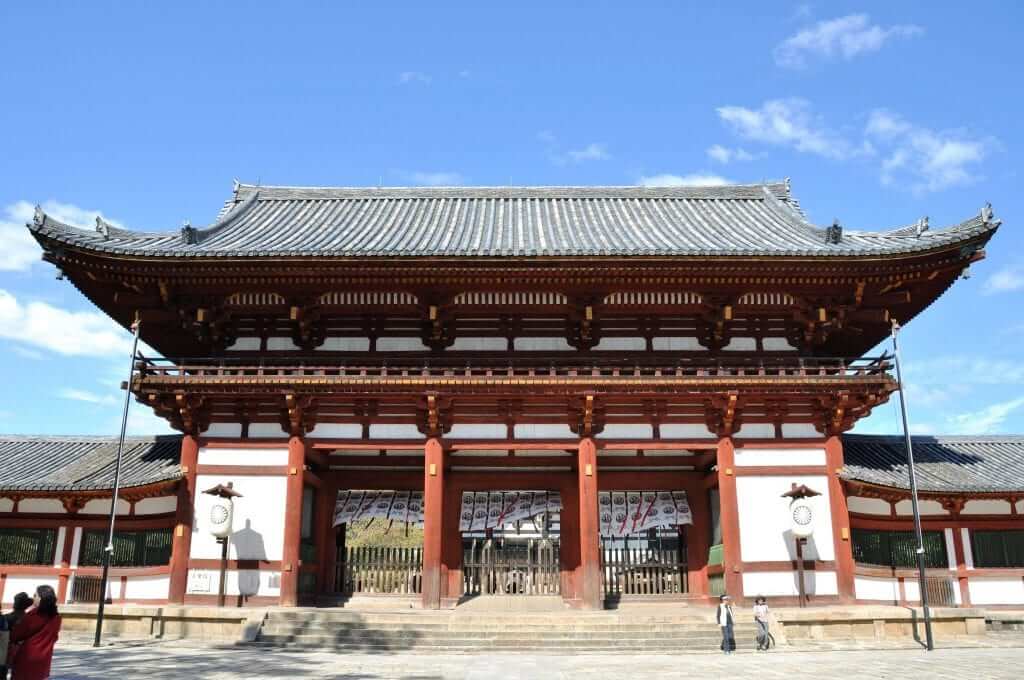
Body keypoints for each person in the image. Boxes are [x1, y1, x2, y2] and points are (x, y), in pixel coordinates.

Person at [8, 586, 61, 680]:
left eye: (35, 595)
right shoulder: (56, 617)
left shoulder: (34, 615)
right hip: (44, 660)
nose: (33, 598)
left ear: (41, 597)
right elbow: (55, 637)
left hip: (27, 658)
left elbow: (15, 635)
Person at [1, 593, 32, 679]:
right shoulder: (29, 619)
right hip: (24, 651)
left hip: (5, 651)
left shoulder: (6, 618)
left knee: (3, 672)